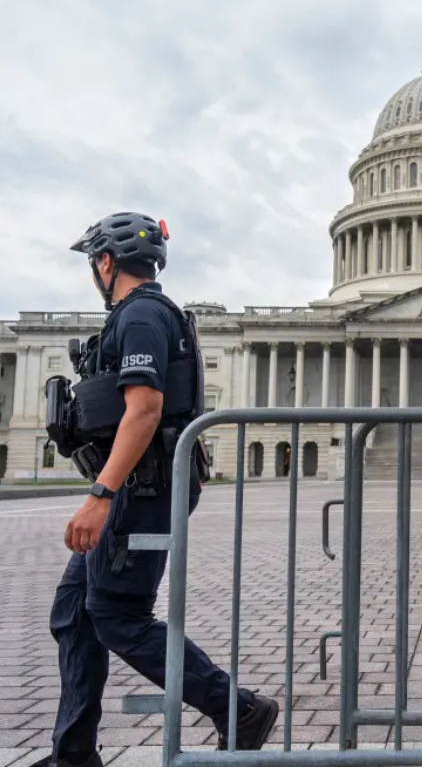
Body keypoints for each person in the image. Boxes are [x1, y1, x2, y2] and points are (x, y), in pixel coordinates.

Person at [35, 213, 278, 767]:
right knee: (74, 612)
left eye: (92, 264)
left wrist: (100, 494)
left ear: (105, 263)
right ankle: (72, 753)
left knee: (118, 615)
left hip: (140, 487)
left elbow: (144, 411)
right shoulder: (137, 315)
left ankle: (236, 708)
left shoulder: (142, 315)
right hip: (138, 483)